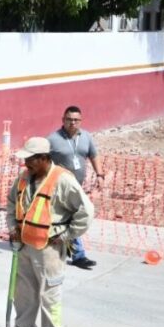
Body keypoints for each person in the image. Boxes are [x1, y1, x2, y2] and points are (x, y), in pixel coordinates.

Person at [6, 137, 94, 327]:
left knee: (50, 295)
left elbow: (86, 211)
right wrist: (13, 228)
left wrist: (67, 234)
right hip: (24, 245)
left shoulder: (62, 180)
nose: (26, 164)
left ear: (44, 158)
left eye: (30, 160)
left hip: (49, 249)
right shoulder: (24, 177)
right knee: (23, 292)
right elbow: (10, 203)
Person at [47, 105, 104, 269]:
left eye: (76, 120)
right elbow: (41, 159)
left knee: (73, 217)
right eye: (69, 119)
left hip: (77, 187)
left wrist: (100, 175)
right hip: (59, 187)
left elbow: (94, 155)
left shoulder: (85, 136)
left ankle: (67, 249)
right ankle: (78, 255)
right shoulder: (53, 139)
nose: (73, 123)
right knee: (70, 217)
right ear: (63, 120)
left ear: (81, 121)